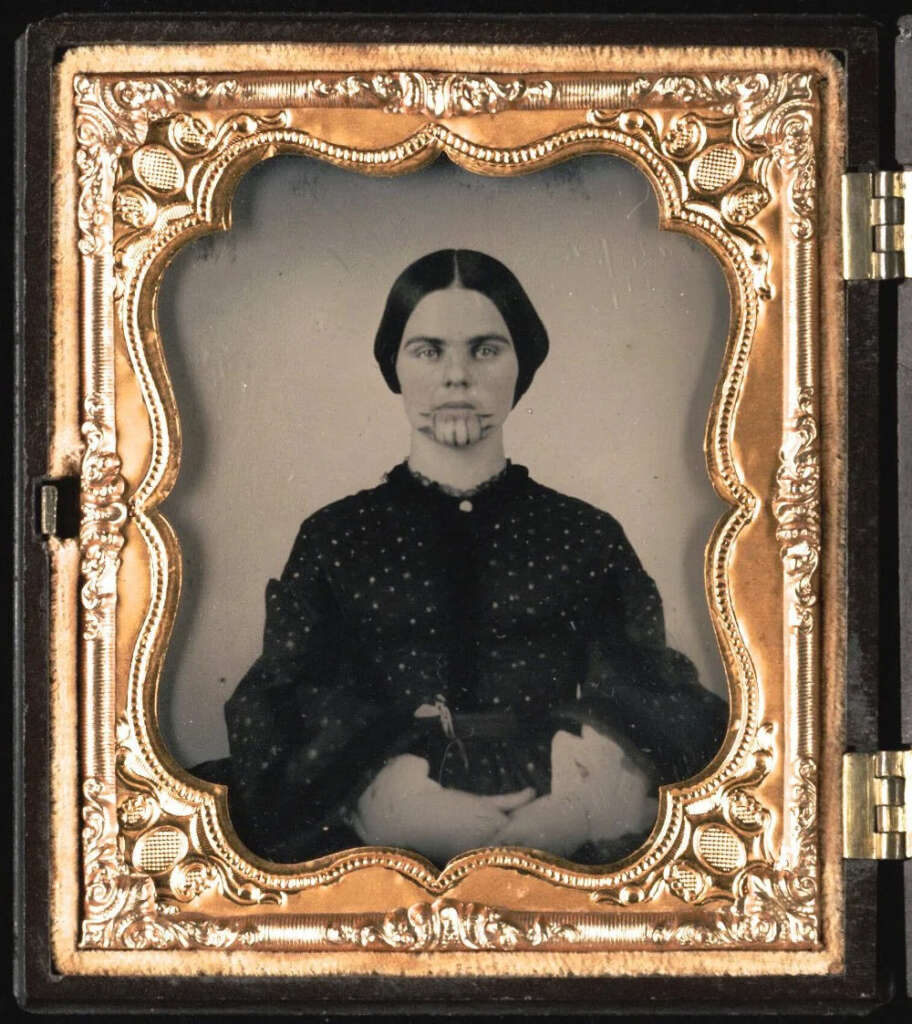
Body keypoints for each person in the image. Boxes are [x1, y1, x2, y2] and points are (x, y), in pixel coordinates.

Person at [199, 249, 728, 866]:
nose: (457, 376)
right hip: (371, 807)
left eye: (485, 349)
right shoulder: (336, 535)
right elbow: (287, 699)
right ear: (394, 365)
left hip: (559, 801)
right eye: (428, 350)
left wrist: (579, 804)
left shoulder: (586, 534)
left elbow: (652, 693)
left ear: (519, 363)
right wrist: (388, 793)